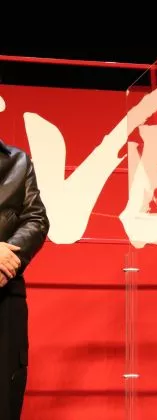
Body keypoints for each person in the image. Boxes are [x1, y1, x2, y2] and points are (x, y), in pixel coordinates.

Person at [0, 139, 49, 420]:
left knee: (5, 401)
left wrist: (8, 261)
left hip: (5, 292)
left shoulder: (18, 160)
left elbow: (37, 219)